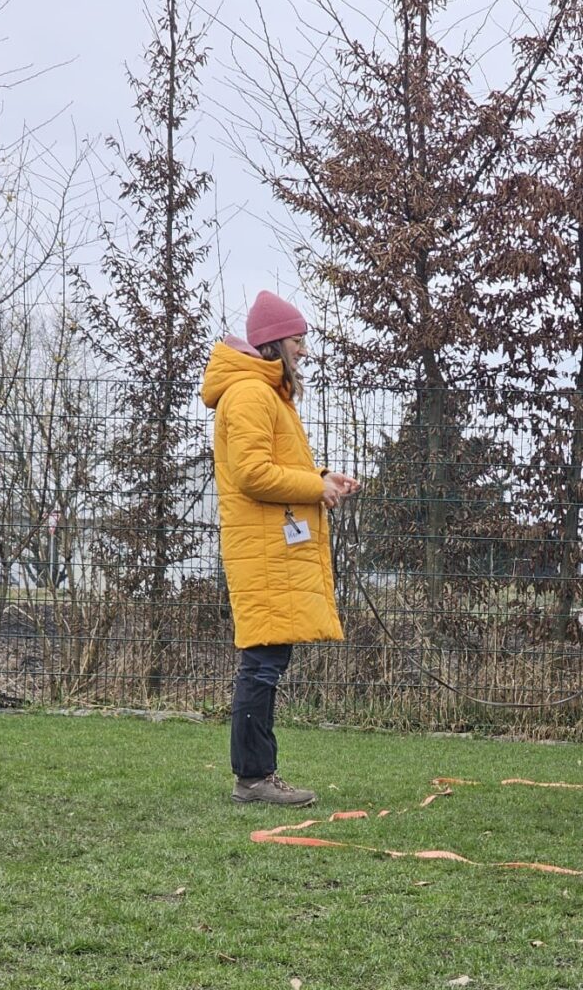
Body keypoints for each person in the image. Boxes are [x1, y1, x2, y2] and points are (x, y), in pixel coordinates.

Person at [201, 290, 360, 806]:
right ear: (273, 343)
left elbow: (275, 465)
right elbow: (252, 474)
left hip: (272, 549)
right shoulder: (251, 393)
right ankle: (253, 778)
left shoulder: (265, 392)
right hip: (264, 553)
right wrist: (315, 487)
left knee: (267, 662)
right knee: (262, 665)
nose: (304, 350)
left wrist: (322, 477)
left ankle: (256, 775)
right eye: (297, 340)